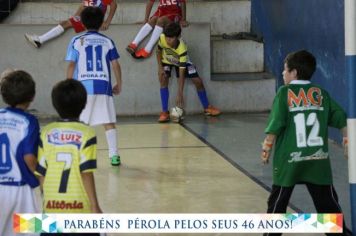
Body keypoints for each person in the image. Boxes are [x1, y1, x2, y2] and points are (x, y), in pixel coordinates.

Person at [261, 50, 352, 236]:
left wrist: (267, 147)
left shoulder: (284, 93)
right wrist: (347, 138)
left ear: (294, 73)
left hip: (289, 160)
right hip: (317, 159)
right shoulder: (321, 94)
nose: (283, 74)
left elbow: (276, 124)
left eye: (285, 70)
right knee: (327, 204)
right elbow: (341, 117)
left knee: (278, 202)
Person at [36, 80, 101, 236]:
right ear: (84, 104)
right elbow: (86, 172)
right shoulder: (87, 133)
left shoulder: (45, 132)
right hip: (80, 209)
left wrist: (48, 201)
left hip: (51, 208)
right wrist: (94, 206)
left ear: (55, 104)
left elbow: (41, 173)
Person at [66, 6, 122, 166]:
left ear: (82, 23)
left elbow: (71, 65)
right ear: (101, 23)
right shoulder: (108, 41)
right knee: (108, 121)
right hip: (103, 85)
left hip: (82, 87)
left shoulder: (76, 41)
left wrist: (69, 84)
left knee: (80, 122)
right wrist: (119, 83)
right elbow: (116, 65)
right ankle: (114, 155)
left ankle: (77, 156)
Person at [0, 70, 40, 236]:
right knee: (31, 229)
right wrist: (41, 176)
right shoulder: (28, 121)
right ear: (31, 97)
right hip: (19, 188)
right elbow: (29, 157)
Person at [156, 22, 220, 122]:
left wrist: (180, 92)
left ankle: (207, 107)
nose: (168, 40)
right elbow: (158, 51)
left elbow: (181, 73)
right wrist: (160, 67)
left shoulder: (182, 48)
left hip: (182, 62)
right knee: (163, 79)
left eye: (171, 38)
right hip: (167, 61)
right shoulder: (162, 38)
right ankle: (164, 112)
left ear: (178, 36)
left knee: (198, 81)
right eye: (167, 37)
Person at [25, 0, 117, 48]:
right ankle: (40, 40)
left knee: (65, 24)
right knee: (65, 23)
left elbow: (114, 4)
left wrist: (107, 22)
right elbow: (83, 6)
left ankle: (40, 40)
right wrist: (75, 17)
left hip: (93, 20)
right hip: (89, 18)